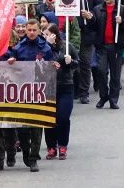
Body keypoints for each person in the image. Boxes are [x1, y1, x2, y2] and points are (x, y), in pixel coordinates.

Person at [4, 18, 54, 172]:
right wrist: (10, 60)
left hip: (39, 92)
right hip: (23, 92)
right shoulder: (19, 47)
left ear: (39, 30)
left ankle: (33, 158)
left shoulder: (45, 48)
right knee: (23, 129)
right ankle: (26, 152)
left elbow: (50, 69)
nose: (31, 33)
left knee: (36, 128)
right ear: (25, 30)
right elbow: (6, 59)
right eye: (29, 30)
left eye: (34, 30)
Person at [91, 0, 124, 109]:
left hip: (116, 46)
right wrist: (90, 19)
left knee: (115, 74)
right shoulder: (97, 9)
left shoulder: (122, 9)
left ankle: (113, 99)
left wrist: (122, 22)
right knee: (101, 72)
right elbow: (93, 27)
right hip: (102, 46)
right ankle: (104, 96)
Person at [42, 23, 78, 160]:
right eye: (43, 34)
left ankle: (63, 145)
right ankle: (51, 146)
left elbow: (77, 63)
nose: (44, 37)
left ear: (54, 34)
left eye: (47, 34)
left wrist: (71, 62)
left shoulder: (67, 46)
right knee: (49, 118)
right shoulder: (44, 47)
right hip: (49, 86)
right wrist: (48, 46)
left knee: (63, 117)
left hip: (65, 85)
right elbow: (42, 61)